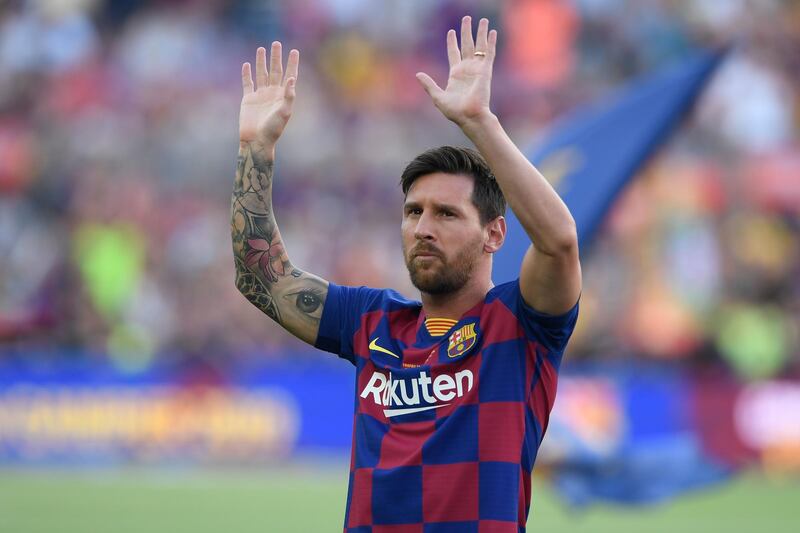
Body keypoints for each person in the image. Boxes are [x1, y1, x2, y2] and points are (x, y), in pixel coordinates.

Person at [231, 16, 581, 532]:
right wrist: (254, 149)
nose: (422, 228)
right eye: (413, 211)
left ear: (494, 235)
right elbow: (261, 278)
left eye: (446, 213)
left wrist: (479, 123)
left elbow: (559, 243)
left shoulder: (519, 325)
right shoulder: (372, 323)